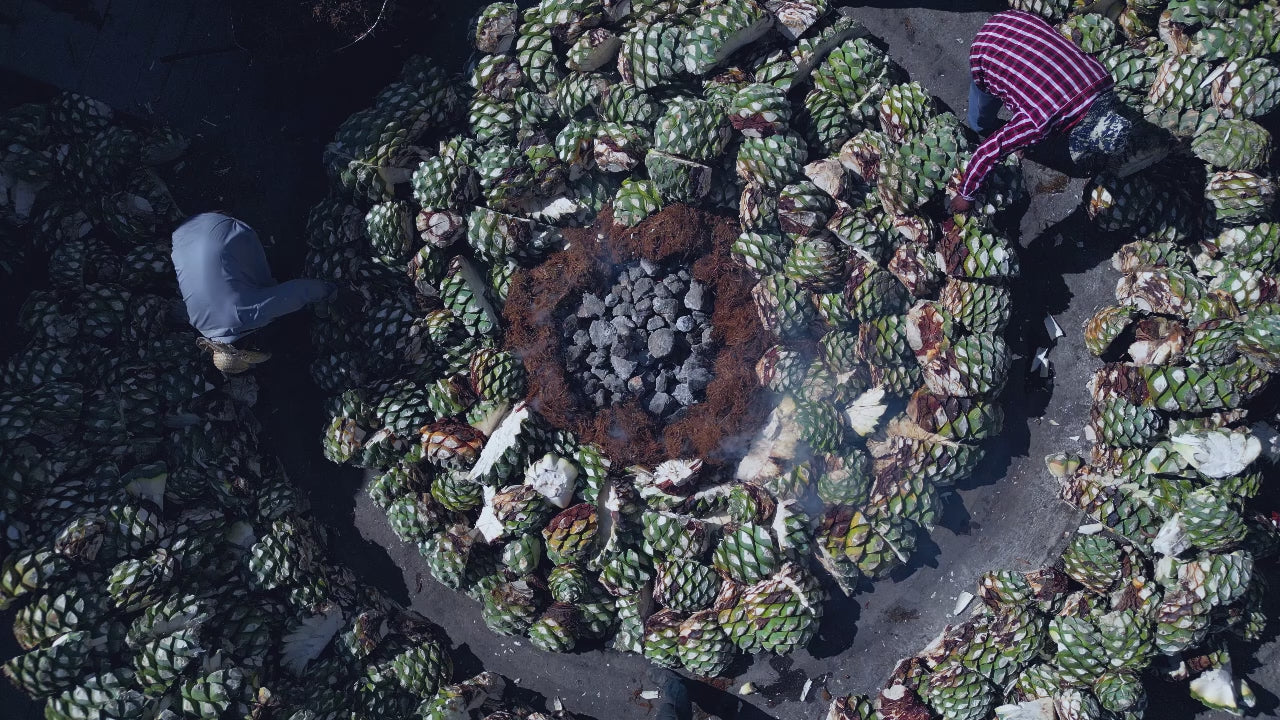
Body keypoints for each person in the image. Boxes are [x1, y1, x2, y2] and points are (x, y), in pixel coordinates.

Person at [951, 10, 1143, 214]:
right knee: (979, 121)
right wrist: (966, 195)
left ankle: (1017, 136)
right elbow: (988, 152)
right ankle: (989, 127)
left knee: (1029, 114)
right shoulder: (1040, 123)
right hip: (985, 51)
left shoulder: (1103, 78)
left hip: (1017, 21)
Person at [172, 212, 335, 373]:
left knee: (265, 282)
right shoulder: (198, 323)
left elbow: (299, 292)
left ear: (247, 346)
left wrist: (332, 291)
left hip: (221, 228)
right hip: (184, 235)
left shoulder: (246, 316)